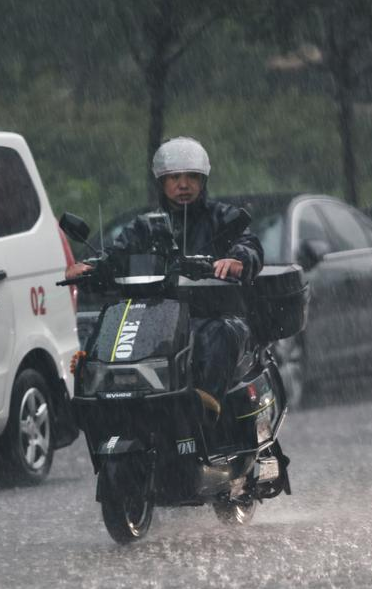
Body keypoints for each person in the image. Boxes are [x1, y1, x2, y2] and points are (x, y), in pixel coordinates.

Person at [66, 136, 263, 415]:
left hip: (209, 314)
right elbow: (115, 255)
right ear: (161, 181)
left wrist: (238, 260)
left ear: (203, 180)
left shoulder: (221, 218)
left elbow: (249, 245)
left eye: (192, 176)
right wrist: (89, 267)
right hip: (154, 320)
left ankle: (206, 410)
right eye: (174, 177)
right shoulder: (145, 227)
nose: (183, 184)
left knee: (222, 333)